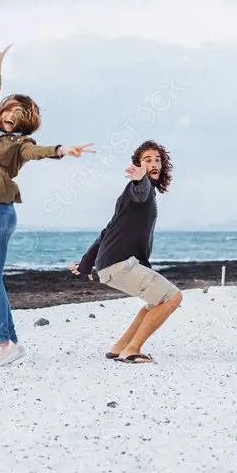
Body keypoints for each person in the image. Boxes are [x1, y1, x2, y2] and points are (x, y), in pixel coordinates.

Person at [0, 43, 95, 369]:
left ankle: (4, 343)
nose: (10, 116)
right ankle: (9, 342)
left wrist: (63, 150)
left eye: (18, 116)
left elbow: (39, 152)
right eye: (9, 111)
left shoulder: (20, 144)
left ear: (25, 123)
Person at [69, 141, 182, 364]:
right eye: (147, 160)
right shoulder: (138, 189)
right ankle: (133, 350)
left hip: (111, 264)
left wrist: (85, 264)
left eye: (157, 159)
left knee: (154, 303)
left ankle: (120, 346)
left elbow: (107, 230)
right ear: (138, 166)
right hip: (120, 264)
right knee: (173, 297)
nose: (153, 163)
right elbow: (141, 191)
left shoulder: (137, 194)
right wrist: (140, 179)